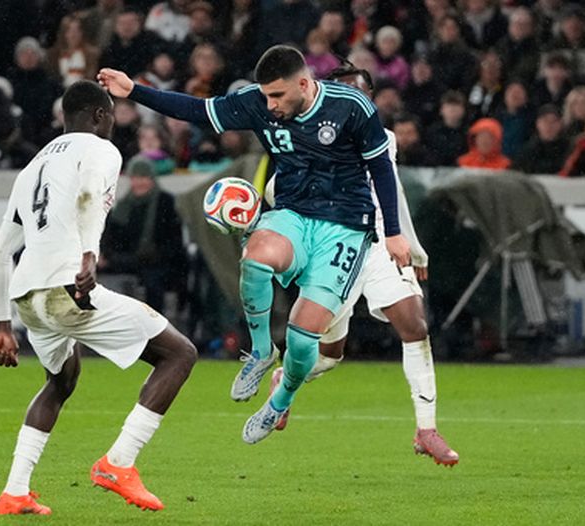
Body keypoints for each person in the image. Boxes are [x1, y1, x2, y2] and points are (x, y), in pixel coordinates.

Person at [97, 45, 410, 445]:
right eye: (266, 96)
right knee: (257, 257)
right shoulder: (258, 103)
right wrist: (135, 90)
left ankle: (282, 399)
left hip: (345, 227)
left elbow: (381, 167)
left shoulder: (351, 107)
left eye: (278, 96)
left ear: (303, 83)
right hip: (293, 213)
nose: (271, 104)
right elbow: (198, 110)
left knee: (301, 334)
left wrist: (395, 232)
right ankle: (261, 350)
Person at [0, 80, 197, 515]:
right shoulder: (101, 150)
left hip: (28, 297)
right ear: (101, 115)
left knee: (60, 381)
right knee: (179, 353)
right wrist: (89, 255)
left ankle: (15, 492)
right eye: (113, 115)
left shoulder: (33, 166)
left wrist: (2, 325)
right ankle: (118, 463)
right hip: (68, 289)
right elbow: (88, 197)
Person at [266, 64, 459, 466]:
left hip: (378, 247)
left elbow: (392, 191)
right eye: (344, 91)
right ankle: (286, 380)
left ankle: (426, 429)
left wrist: (412, 246)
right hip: (334, 248)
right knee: (330, 354)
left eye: (360, 93)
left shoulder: (383, 138)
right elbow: (275, 190)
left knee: (414, 325)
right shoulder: (305, 135)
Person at [99, 155, 187, 313]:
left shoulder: (165, 203)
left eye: (143, 177)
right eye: (135, 178)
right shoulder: (123, 206)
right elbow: (112, 237)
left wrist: (152, 256)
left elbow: (173, 243)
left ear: (152, 179)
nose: (139, 183)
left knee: (153, 281)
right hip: (129, 260)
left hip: (158, 261)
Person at [512, 104, 571, 175]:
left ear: (560, 124)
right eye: (545, 121)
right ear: (537, 123)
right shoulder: (527, 151)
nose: (549, 125)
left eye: (554, 121)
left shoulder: (570, 149)